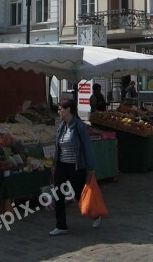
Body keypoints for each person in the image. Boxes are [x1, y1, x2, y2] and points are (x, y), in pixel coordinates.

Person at [50, 98, 98, 235]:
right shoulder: (61, 126)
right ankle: (61, 225)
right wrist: (54, 165)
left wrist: (90, 168)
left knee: (79, 194)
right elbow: (57, 147)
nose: (59, 111)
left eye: (61, 109)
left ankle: (95, 214)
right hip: (62, 165)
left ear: (69, 109)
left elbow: (87, 148)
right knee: (58, 194)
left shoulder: (79, 126)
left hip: (76, 166)